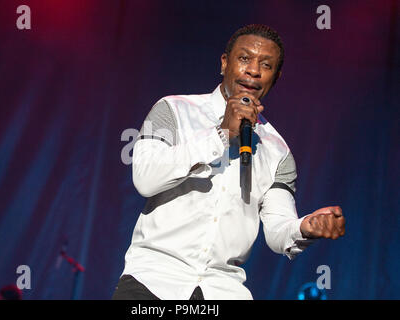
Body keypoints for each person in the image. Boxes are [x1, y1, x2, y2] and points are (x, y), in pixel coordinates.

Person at [113, 24, 345, 300]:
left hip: (223, 290)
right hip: (154, 281)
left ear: (276, 77)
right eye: (244, 59)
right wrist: (221, 134)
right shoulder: (173, 110)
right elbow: (146, 179)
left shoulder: (278, 151)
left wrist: (305, 227)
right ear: (225, 63)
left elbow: (277, 230)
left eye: (266, 65)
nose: (253, 70)